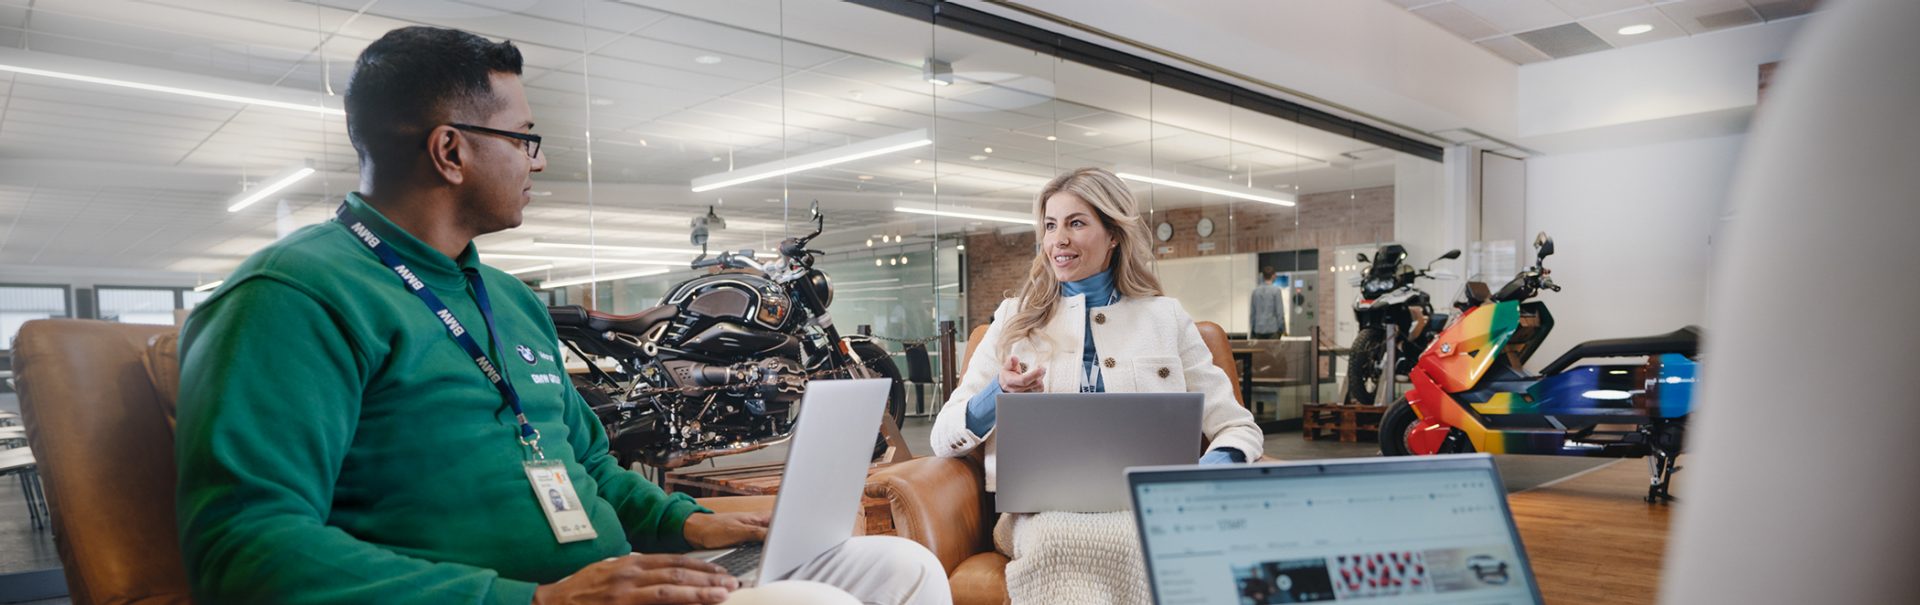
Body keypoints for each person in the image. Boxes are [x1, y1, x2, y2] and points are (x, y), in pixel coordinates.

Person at [174, 26, 947, 605]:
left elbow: (594, 468)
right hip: (525, 599)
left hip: (605, 587)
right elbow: (244, 545)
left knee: (898, 567)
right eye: (523, 138)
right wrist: (535, 598)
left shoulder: (505, 299)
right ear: (450, 150)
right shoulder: (294, 294)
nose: (537, 160)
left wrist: (687, 522)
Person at [929, 167, 1266, 604]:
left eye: (1076, 223)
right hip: (1039, 516)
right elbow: (943, 436)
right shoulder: (1012, 319)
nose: (1058, 240)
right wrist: (1001, 394)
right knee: (1056, 541)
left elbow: (1239, 428)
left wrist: (1203, 475)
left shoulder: (1166, 319)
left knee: (1140, 540)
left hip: (1147, 511)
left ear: (1113, 235)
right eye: (1050, 225)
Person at [1250, 266, 1286, 339]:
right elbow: (1279, 312)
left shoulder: (1255, 292)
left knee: (1260, 350)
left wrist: (1253, 328)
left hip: (1258, 330)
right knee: (1273, 350)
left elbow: (1253, 313)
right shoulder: (1276, 291)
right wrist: (1282, 329)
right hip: (1273, 329)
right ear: (1273, 276)